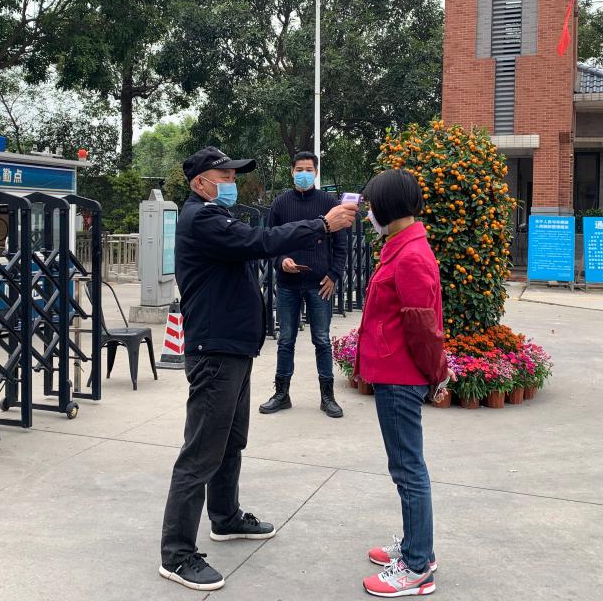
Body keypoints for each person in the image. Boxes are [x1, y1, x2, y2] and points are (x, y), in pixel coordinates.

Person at [160, 146, 358, 592]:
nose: (232, 182)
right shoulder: (202, 219)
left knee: (230, 441)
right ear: (200, 183)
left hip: (234, 347)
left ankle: (225, 516)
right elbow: (261, 242)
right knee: (200, 452)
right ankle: (176, 553)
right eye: (225, 177)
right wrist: (322, 225)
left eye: (234, 176)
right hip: (215, 350)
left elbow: (254, 243)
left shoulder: (217, 216)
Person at [356, 168, 454, 598]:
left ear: (388, 208)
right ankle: (418, 549)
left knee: (408, 470)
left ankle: (416, 568)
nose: (369, 214)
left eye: (372, 206)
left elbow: (423, 326)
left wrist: (437, 373)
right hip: (393, 371)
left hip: (399, 376)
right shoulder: (401, 246)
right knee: (406, 468)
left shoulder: (410, 254)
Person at [260, 151, 347, 418]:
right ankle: (281, 393)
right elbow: (269, 242)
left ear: (316, 172)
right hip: (288, 284)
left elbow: (341, 245)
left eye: (309, 169)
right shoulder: (280, 203)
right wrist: (281, 260)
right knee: (286, 339)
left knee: (321, 339)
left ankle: (328, 396)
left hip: (320, 284)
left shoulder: (329, 203)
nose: (304, 174)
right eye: (299, 169)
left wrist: (334, 275)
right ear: (291, 171)